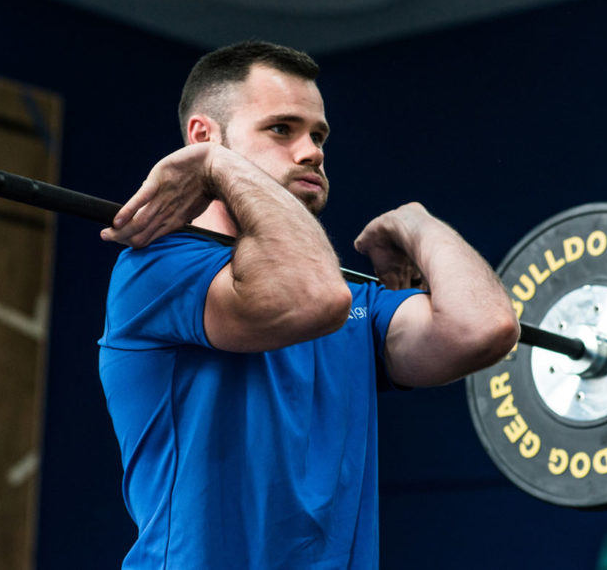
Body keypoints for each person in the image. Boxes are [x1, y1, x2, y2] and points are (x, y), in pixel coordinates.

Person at [98, 40, 519, 569]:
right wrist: (213, 165)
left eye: (318, 135)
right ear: (202, 135)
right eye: (282, 129)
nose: (312, 150)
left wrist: (420, 224)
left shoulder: (354, 304)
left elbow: (485, 328)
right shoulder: (159, 269)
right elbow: (311, 298)